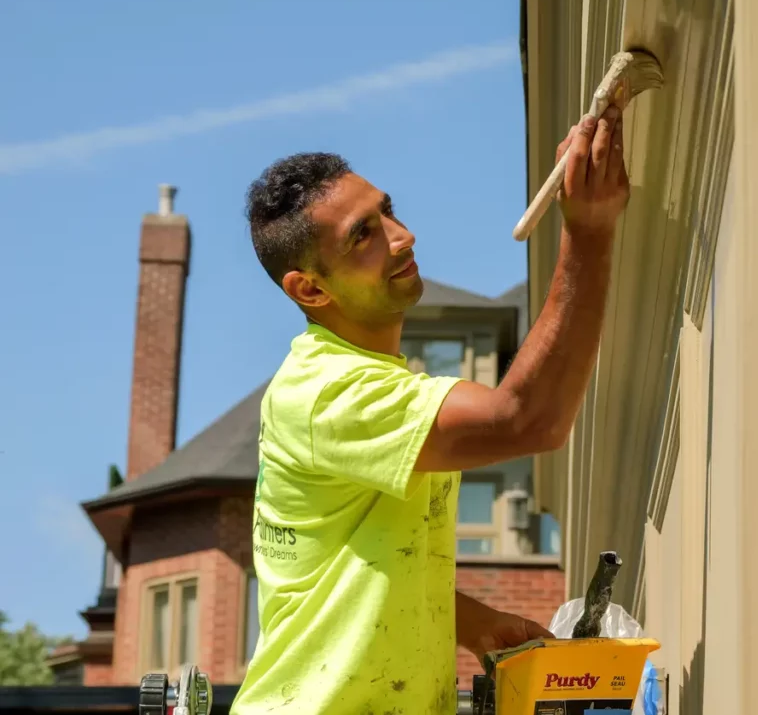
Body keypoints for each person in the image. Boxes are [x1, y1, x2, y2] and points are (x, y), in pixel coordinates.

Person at [230, 103, 629, 715]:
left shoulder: (372, 382)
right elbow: (528, 419)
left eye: (387, 210)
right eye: (363, 234)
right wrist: (592, 231)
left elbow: (355, 559)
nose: (401, 235)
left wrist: (468, 619)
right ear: (310, 288)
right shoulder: (328, 392)